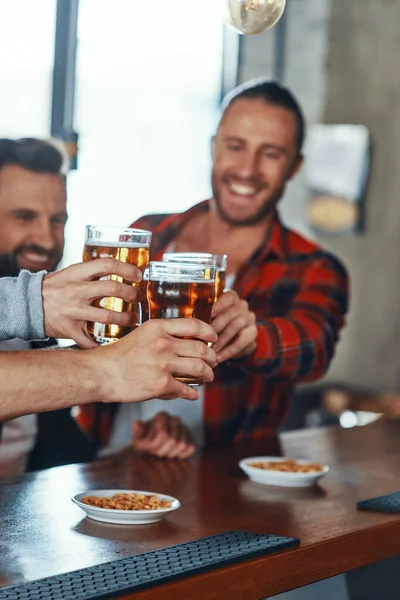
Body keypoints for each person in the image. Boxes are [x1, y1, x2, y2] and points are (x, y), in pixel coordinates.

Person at [77, 79, 349, 459]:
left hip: (224, 482)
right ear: (213, 147)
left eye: (270, 153)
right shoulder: (147, 233)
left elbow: (314, 348)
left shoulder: (314, 267)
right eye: (235, 146)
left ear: (295, 166)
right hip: (103, 462)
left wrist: (253, 336)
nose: (247, 169)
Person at [0, 138, 216, 474]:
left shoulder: (43, 330)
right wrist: (107, 369)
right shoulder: (36, 303)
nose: (46, 239)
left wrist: (132, 452)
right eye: (24, 217)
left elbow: (54, 462)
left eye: (58, 220)